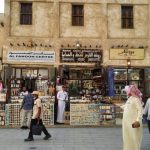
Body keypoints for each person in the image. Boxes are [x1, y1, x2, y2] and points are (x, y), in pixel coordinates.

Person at [121, 85, 143, 150]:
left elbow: (140, 110)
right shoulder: (130, 99)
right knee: (127, 137)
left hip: (133, 122)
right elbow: (126, 107)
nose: (126, 92)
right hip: (126, 123)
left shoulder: (136, 99)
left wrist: (138, 120)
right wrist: (118, 105)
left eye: (127, 91)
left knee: (134, 138)